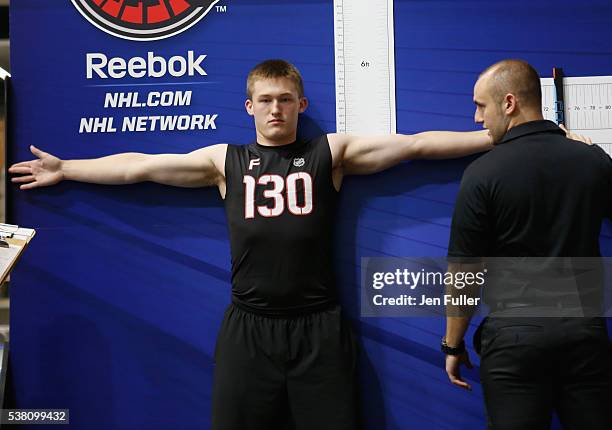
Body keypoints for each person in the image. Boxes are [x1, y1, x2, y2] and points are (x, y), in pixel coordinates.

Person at [8, 58, 582, 429]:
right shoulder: (223, 162)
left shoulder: (329, 154)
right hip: (249, 329)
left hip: (319, 330)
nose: (276, 109)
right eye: (266, 100)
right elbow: (140, 167)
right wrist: (69, 169)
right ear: (249, 106)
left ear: (300, 105)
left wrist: (516, 134)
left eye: (286, 99)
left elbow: (417, 144)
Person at [443, 59, 611, 430]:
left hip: (515, 340)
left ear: (509, 103)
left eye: (480, 106)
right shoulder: (592, 161)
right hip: (585, 335)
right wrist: (596, 156)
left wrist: (453, 345)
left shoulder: (482, 173)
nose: (476, 118)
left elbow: (464, 273)